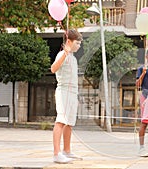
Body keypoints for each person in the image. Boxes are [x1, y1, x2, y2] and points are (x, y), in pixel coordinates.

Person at [51, 29, 83, 164]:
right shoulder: (61, 54)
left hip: (72, 93)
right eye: (77, 43)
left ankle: (67, 150)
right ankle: (56, 153)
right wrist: (65, 53)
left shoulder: (73, 58)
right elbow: (53, 69)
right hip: (63, 91)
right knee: (61, 120)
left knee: (69, 123)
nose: (79, 46)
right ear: (69, 42)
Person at [136, 49, 148, 157]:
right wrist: (143, 73)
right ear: (147, 56)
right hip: (145, 95)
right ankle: (141, 148)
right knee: (144, 122)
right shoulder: (141, 68)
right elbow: (137, 84)